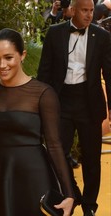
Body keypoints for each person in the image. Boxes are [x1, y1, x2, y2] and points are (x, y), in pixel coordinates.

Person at [0, 28, 74, 216]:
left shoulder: (43, 93)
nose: (2, 64)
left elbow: (54, 145)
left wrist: (69, 194)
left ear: (22, 55)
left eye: (8, 57)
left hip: (34, 176)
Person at [37, 0, 111, 215]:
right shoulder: (55, 33)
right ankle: (71, 193)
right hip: (61, 101)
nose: (89, 15)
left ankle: (89, 205)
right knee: (57, 153)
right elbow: (45, 71)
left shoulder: (103, 37)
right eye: (84, 10)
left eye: (90, 11)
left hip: (89, 102)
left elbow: (109, 72)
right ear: (73, 11)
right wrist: (40, 103)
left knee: (91, 158)